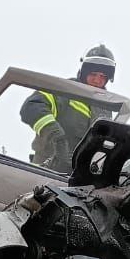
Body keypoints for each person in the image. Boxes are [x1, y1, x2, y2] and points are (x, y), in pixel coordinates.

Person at [20, 44, 117, 172]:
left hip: (79, 180)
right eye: (93, 74)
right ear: (84, 72)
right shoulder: (65, 91)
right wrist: (57, 137)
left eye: (102, 76)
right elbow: (31, 107)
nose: (97, 80)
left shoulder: (105, 108)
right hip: (45, 172)